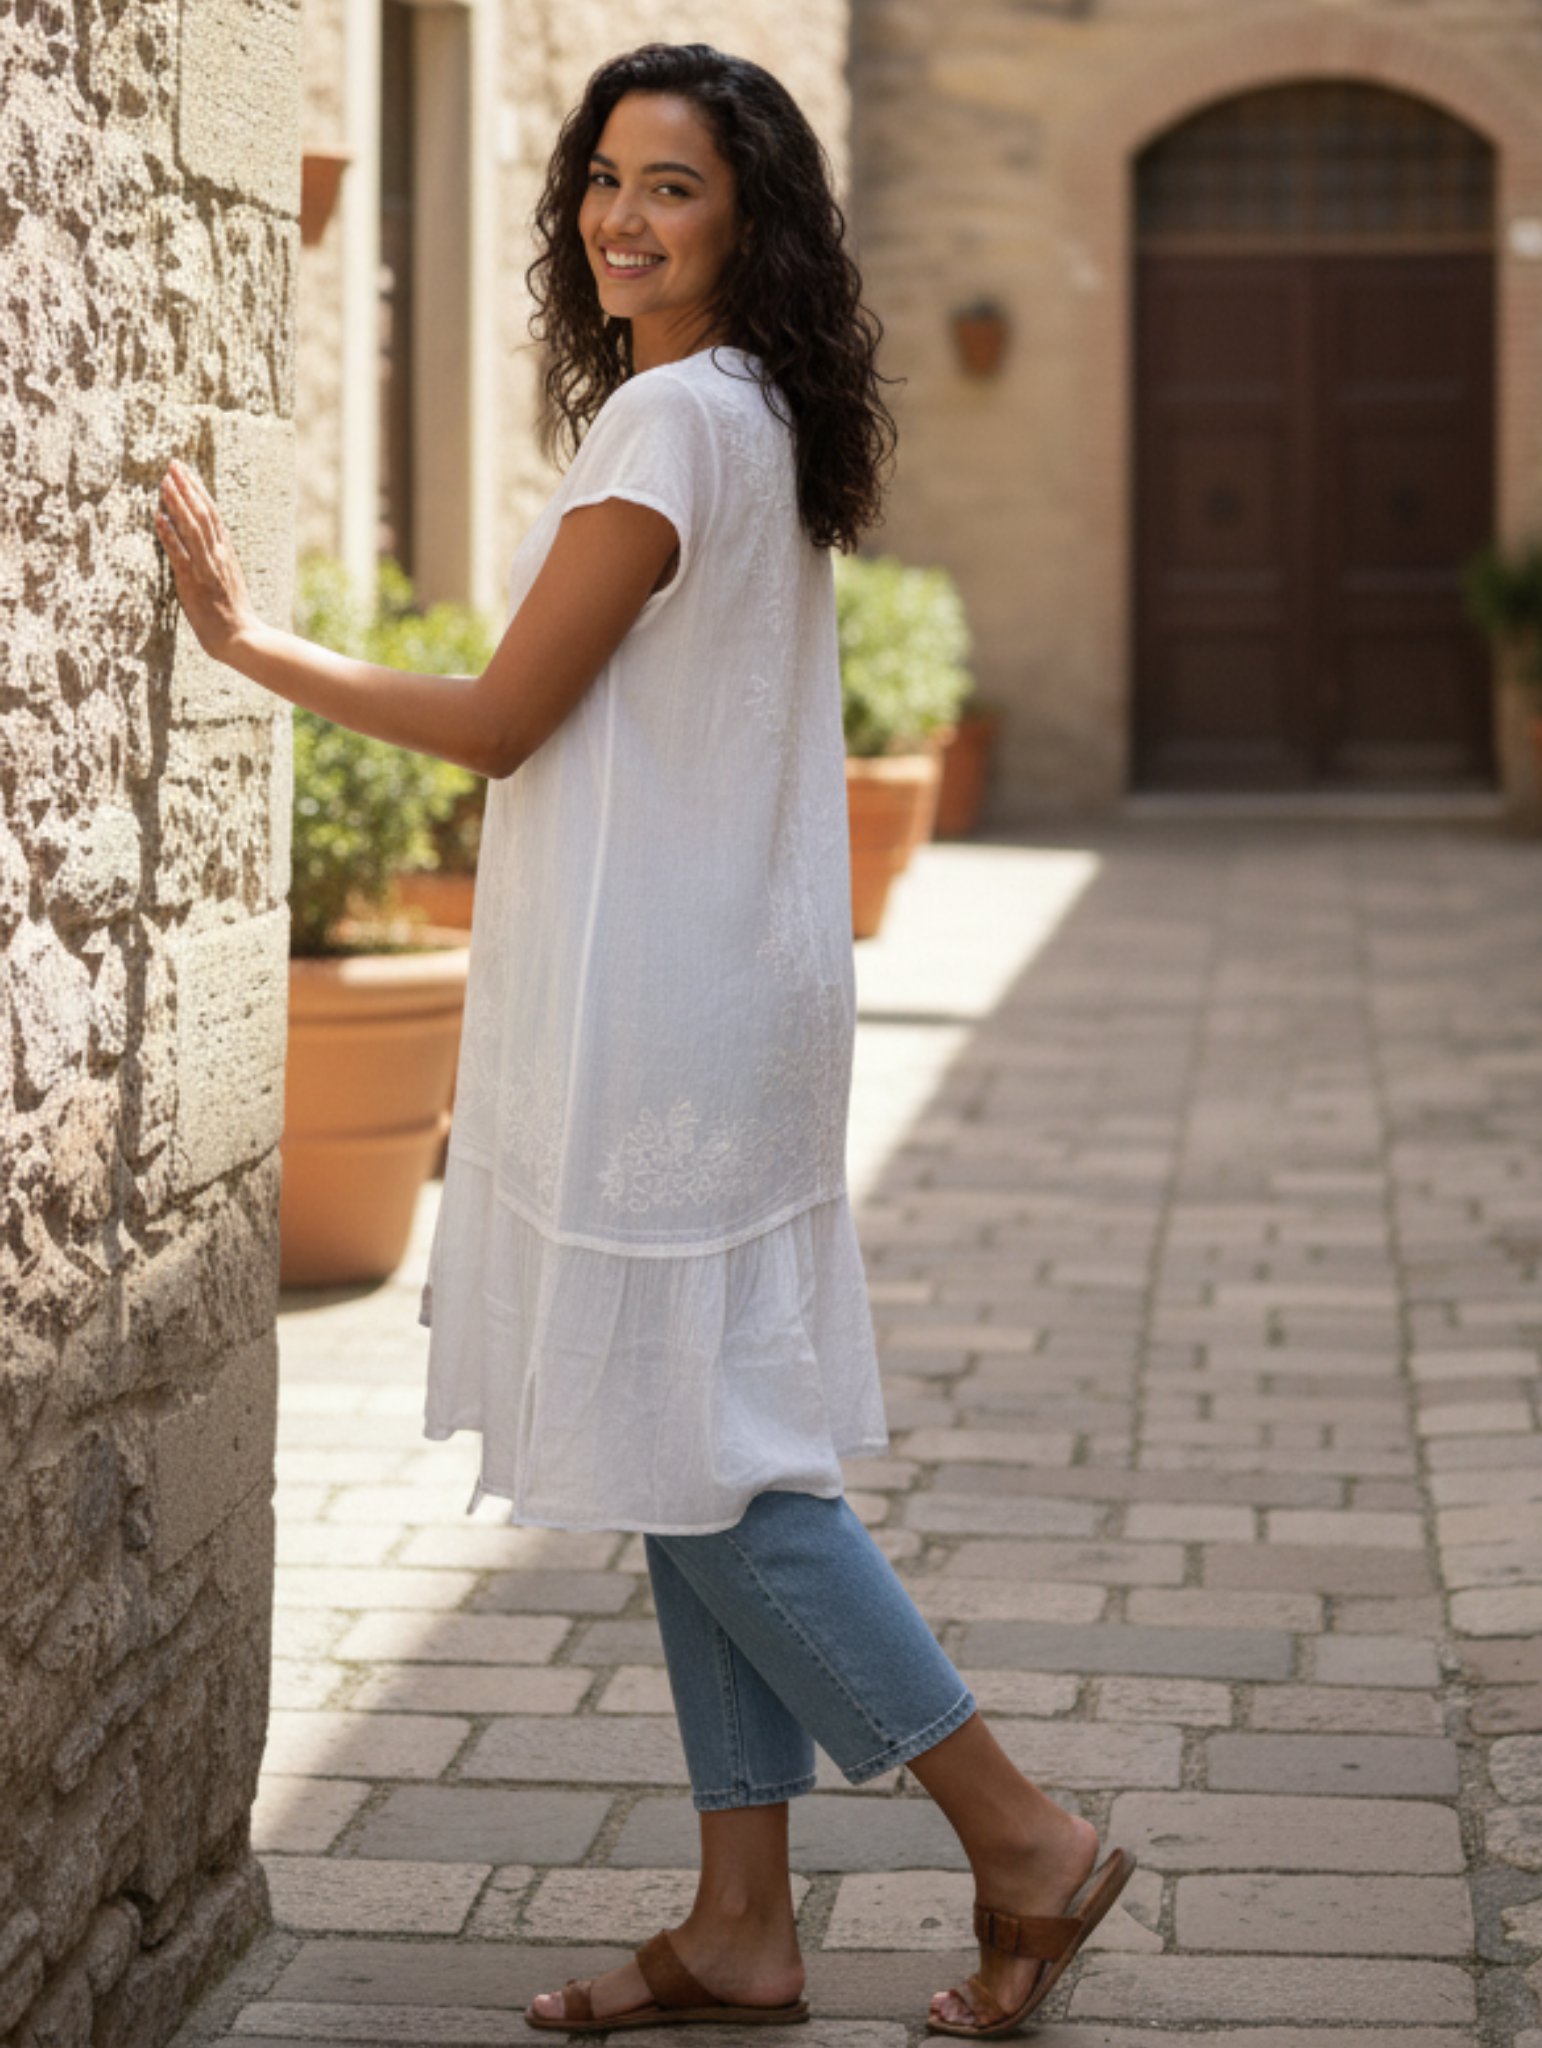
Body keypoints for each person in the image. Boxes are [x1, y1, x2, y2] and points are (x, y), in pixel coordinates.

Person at [155, 41, 1131, 2037]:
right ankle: (741, 1918)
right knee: (689, 1438)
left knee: (719, 1463)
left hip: (670, 1023)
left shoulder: (674, 423)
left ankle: (1021, 1833)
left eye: (671, 185)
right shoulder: (756, 411)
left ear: (748, 217)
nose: (619, 212)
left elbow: (507, 717)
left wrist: (259, 651)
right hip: (737, 993)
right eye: (605, 176)